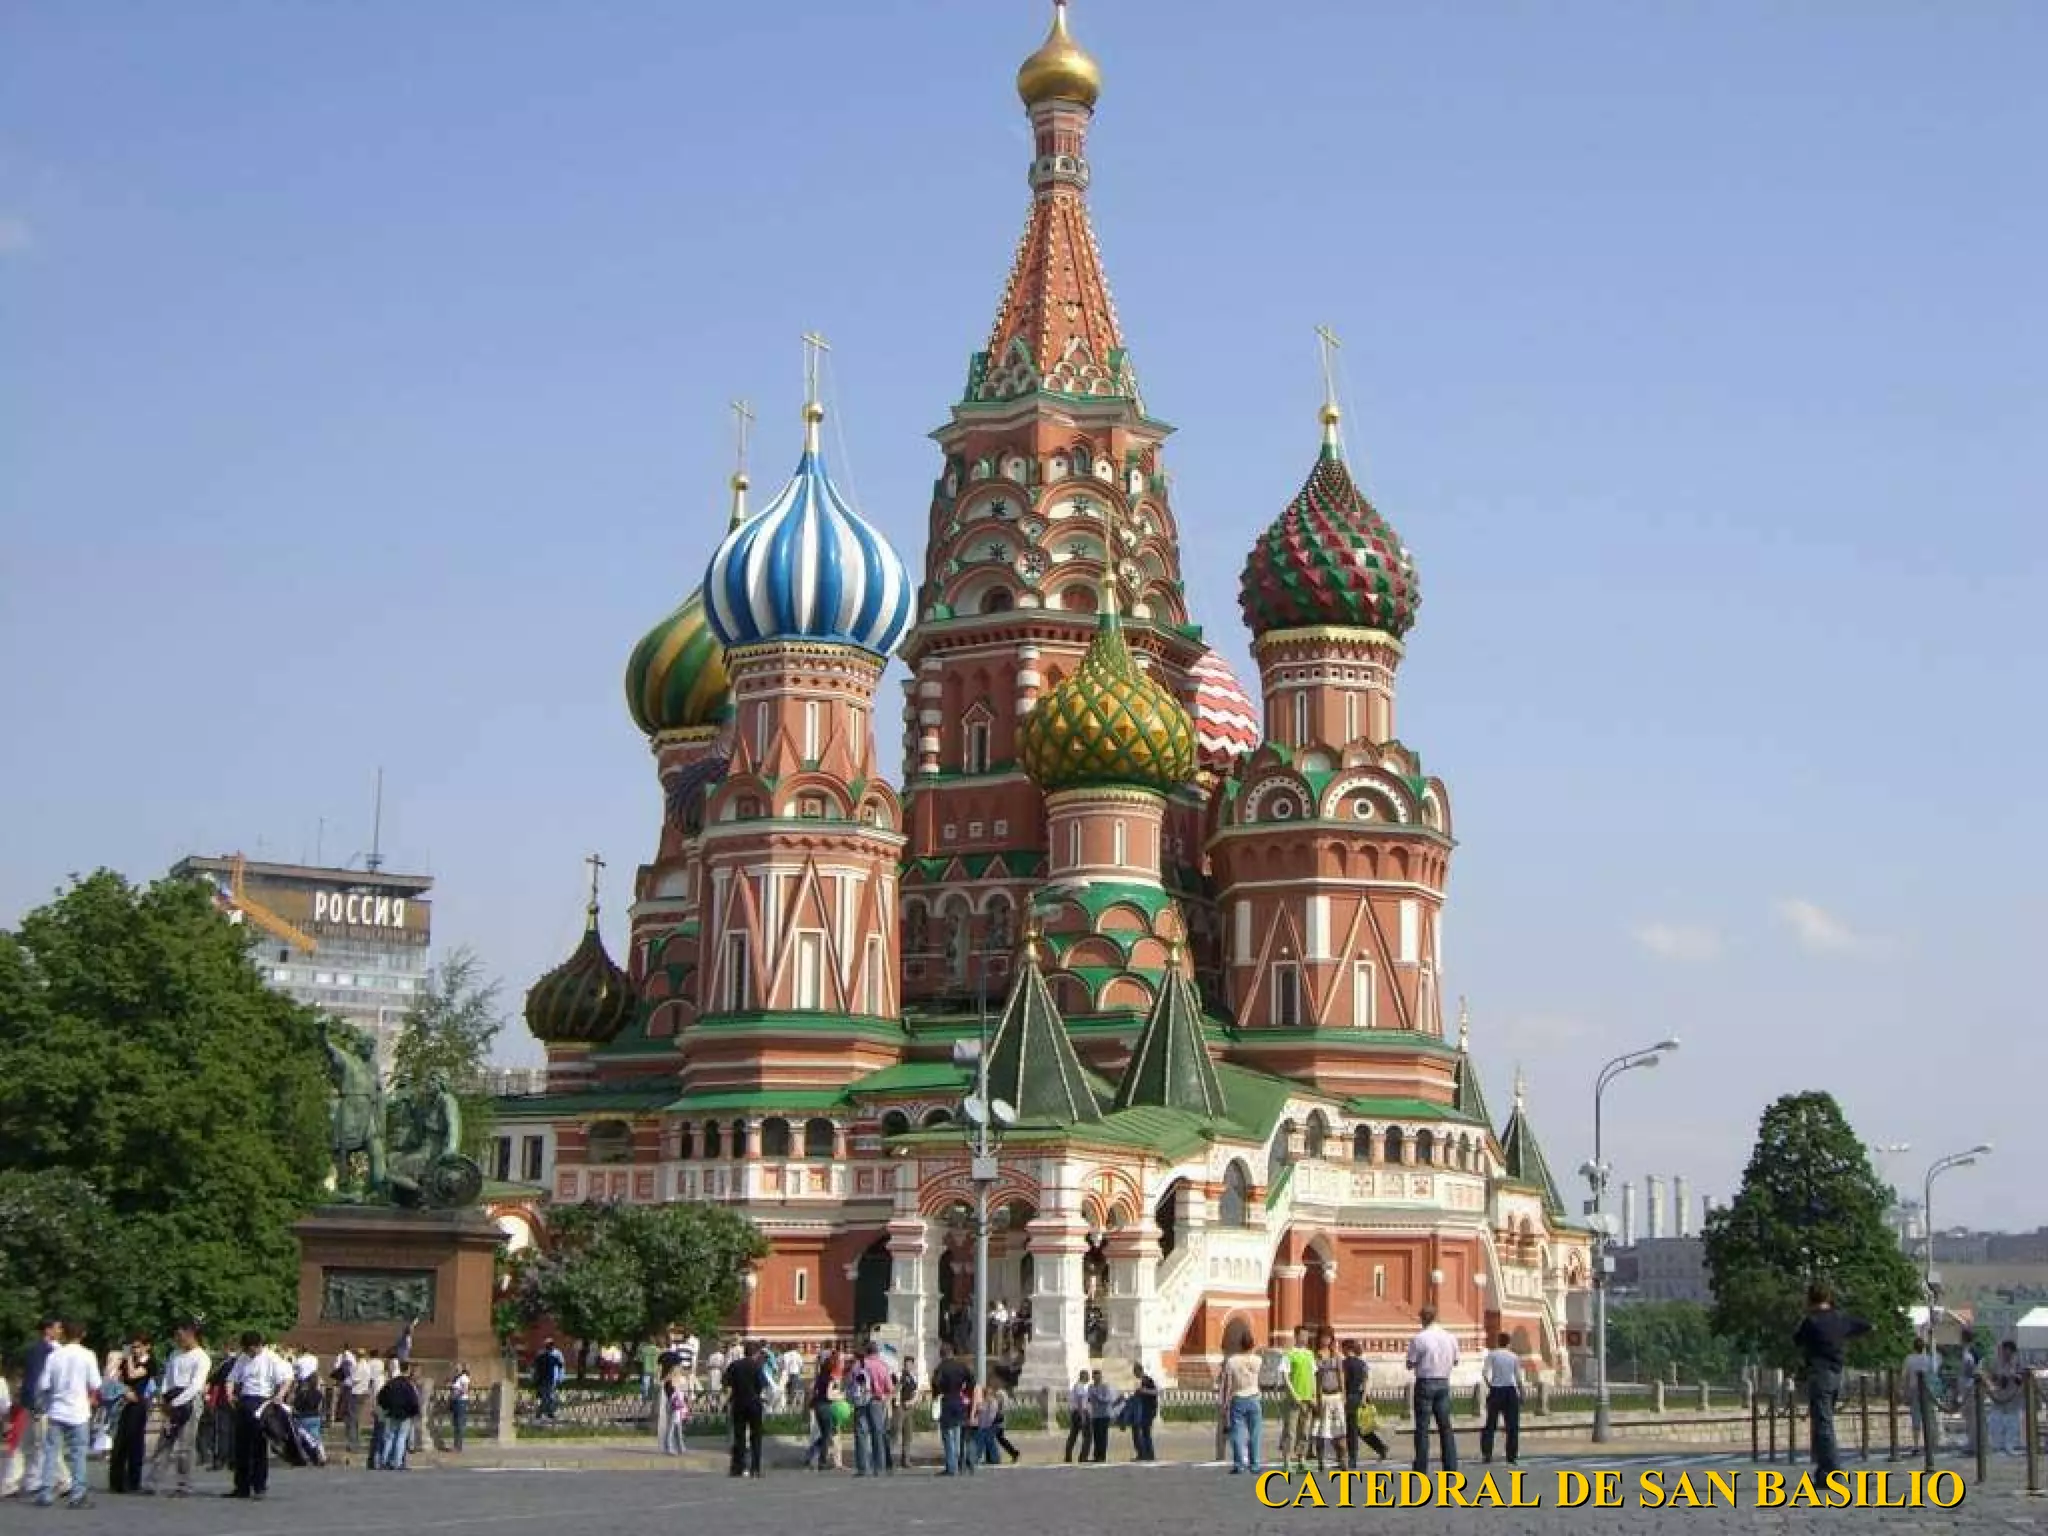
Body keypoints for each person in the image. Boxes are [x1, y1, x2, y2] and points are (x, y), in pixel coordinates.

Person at [1791, 1282, 1870, 1481]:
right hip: (1837, 1374)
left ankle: (1834, 1471)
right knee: (1823, 1422)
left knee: (1823, 1424)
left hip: (1819, 1374)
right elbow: (1865, 1325)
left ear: (1810, 1299)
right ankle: (1823, 1471)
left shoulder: (1811, 1321)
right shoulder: (1839, 1318)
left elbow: (1797, 1339)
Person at [35, 1322, 99, 1510]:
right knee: (78, 1453)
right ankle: (77, 1494)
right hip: (78, 1410)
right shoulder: (88, 1355)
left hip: (57, 1409)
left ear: (64, 1334)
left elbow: (43, 1384)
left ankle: (46, 1492)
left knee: (51, 1452)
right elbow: (95, 1383)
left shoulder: (54, 1355)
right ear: (83, 1334)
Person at [145, 1322, 209, 1497]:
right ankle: (153, 1480)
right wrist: (164, 1396)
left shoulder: (201, 1357)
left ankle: (184, 1484)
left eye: (180, 1336)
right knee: (164, 1441)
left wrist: (177, 1402)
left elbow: (196, 1385)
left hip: (189, 1400)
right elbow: (168, 1377)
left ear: (191, 1334)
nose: (178, 1339)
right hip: (172, 1397)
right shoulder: (175, 1354)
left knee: (185, 1445)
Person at [225, 1330, 291, 1501]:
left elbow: (287, 1378)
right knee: (241, 1446)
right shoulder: (243, 1358)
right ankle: (241, 1486)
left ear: (258, 1346)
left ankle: (259, 1485)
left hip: (262, 1401)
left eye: (251, 1349)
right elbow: (232, 1377)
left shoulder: (272, 1358)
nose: (249, 1353)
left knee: (258, 1446)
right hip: (245, 1400)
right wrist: (229, 1393)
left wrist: (280, 1395)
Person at [1405, 1305, 1459, 1474]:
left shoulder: (1420, 1338)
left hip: (1425, 1382)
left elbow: (1410, 1363)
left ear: (1423, 1318)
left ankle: (1421, 1466)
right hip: (1443, 1382)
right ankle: (1450, 1465)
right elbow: (1456, 1361)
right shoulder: (1450, 1337)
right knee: (1445, 1426)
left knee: (1422, 1427)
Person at [108, 1335, 154, 1494]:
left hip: (138, 1404)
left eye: (138, 1347)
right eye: (133, 1347)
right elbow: (117, 1378)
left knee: (135, 1442)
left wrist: (128, 1360)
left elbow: (134, 1374)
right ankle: (117, 1481)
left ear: (147, 1347)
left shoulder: (149, 1362)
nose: (135, 1350)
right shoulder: (127, 1361)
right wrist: (123, 1390)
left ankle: (133, 1480)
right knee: (120, 1442)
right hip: (125, 1402)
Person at [1219, 1333, 1265, 1476]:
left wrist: (1225, 1403)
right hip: (1254, 1397)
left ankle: (1239, 1464)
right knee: (1255, 1433)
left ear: (1240, 1345)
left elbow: (1228, 1383)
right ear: (1252, 1345)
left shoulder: (1232, 1361)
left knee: (1237, 1433)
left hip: (1238, 1397)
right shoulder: (1257, 1360)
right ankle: (1255, 1464)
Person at [1340, 1339, 1388, 1469]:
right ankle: (1380, 1447)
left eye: (1343, 1348)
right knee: (1362, 1429)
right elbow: (1366, 1381)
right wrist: (1364, 1397)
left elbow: (1342, 1381)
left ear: (1348, 1349)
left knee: (1352, 1430)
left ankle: (1352, 1458)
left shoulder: (1344, 1364)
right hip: (1361, 1397)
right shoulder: (1362, 1364)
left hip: (1350, 1397)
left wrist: (1343, 1397)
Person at [849, 1339, 895, 1476]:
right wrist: (884, 1397)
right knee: (878, 1433)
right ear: (877, 1352)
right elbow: (889, 1388)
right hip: (876, 1401)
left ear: (866, 1352)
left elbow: (851, 1384)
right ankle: (879, 1467)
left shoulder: (858, 1365)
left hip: (861, 1402)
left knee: (861, 1433)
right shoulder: (882, 1366)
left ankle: (863, 1467)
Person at [929, 1343, 975, 1477]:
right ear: (952, 1353)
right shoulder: (961, 1366)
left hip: (947, 1401)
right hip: (958, 1400)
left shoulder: (941, 1368)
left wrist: (937, 1395)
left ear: (941, 1354)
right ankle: (958, 1463)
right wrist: (965, 1392)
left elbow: (935, 1384)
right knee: (957, 1433)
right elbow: (972, 1380)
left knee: (948, 1436)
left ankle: (951, 1467)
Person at [723, 1341, 766, 1479]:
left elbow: (727, 1385)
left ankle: (738, 1467)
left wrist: (726, 1401)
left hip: (738, 1403)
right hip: (754, 1404)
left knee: (739, 1436)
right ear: (756, 1353)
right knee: (756, 1437)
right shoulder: (757, 1366)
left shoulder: (734, 1365)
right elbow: (762, 1385)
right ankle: (755, 1469)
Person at [1478, 1333, 1522, 1466]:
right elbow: (1518, 1377)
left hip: (1496, 1389)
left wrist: (1490, 1384)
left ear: (1498, 1342)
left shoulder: (1492, 1355)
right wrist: (1522, 1392)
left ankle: (1487, 1453)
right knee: (1512, 1425)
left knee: (1490, 1424)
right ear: (1508, 1343)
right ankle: (1511, 1455)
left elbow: (1485, 1372)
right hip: (1510, 1390)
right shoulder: (1513, 1356)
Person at [373, 1361, 423, 1470]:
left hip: (391, 1414)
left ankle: (384, 1461)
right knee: (401, 1438)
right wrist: (414, 1413)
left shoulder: (391, 1383)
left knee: (389, 1438)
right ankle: (397, 1462)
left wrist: (386, 1407)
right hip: (405, 1415)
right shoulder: (408, 1385)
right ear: (408, 1370)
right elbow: (414, 1401)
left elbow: (381, 1396)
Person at [1280, 1327, 1318, 1472]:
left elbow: (1313, 1376)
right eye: (1302, 1335)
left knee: (1304, 1431)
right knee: (1290, 1431)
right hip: (1294, 1399)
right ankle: (1287, 1461)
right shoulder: (1289, 1354)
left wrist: (1314, 1395)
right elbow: (1285, 1377)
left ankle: (1301, 1459)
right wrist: (1294, 1394)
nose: (1305, 1338)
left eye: (1307, 1335)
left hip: (1307, 1399)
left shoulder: (1309, 1354)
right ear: (1296, 1336)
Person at [1987, 1341, 2026, 1455]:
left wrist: (2013, 1375)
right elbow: (1993, 1378)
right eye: (2003, 1351)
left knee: (2013, 1423)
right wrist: (1996, 1380)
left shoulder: (2018, 1363)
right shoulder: (1997, 1363)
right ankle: (1997, 1446)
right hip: (2000, 1397)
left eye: (2006, 1351)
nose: (2004, 1353)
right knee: (1995, 1421)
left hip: (2013, 1397)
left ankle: (2011, 1445)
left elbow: (2022, 1379)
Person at [1901, 1336, 1939, 1455]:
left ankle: (1916, 1445)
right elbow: (1934, 1374)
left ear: (1913, 1347)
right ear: (1923, 1347)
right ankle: (1931, 1443)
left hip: (1914, 1390)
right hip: (1928, 1390)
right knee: (1929, 1417)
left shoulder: (1909, 1359)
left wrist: (1904, 1392)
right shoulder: (1929, 1359)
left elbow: (1904, 1377)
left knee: (1916, 1418)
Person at [1086, 1367, 1119, 1464]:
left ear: (1100, 1377)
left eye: (1098, 1377)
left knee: (1102, 1435)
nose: (1096, 1379)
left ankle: (1102, 1456)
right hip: (1095, 1414)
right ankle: (1096, 1455)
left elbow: (1107, 1399)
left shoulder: (1105, 1387)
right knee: (1096, 1436)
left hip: (1104, 1414)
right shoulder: (1091, 1387)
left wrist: (1097, 1396)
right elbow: (1089, 1399)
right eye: (1094, 1377)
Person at [893, 1355, 920, 1469]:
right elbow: (895, 1390)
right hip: (900, 1407)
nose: (907, 1366)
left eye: (909, 1364)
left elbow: (916, 1392)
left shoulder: (914, 1377)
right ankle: (888, 1458)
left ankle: (906, 1460)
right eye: (906, 1364)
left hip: (910, 1407)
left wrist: (913, 1401)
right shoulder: (899, 1375)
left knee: (908, 1435)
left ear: (913, 1365)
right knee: (895, 1433)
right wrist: (897, 1402)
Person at [1129, 1365, 1159, 1463]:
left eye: (1136, 1372)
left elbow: (1155, 1392)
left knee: (1145, 1432)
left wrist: (1143, 1391)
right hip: (1141, 1411)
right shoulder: (1140, 1382)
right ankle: (1143, 1453)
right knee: (1141, 1433)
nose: (1135, 1374)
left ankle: (1148, 1454)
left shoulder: (1147, 1380)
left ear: (1140, 1371)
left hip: (1148, 1411)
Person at [533, 1339, 565, 1423]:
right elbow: (560, 1365)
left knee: (548, 1397)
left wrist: (559, 1377)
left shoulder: (546, 1356)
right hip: (544, 1380)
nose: (551, 1347)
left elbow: (560, 1365)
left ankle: (546, 1413)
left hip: (547, 1380)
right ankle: (543, 1413)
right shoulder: (547, 1356)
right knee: (547, 1398)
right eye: (550, 1345)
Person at [1062, 1369, 1090, 1462]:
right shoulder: (1080, 1386)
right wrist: (1082, 1415)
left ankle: (1068, 1456)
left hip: (1076, 1412)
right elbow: (1080, 1401)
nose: (1089, 1378)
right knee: (1087, 1436)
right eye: (1087, 1376)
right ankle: (1083, 1457)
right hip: (1080, 1412)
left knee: (1073, 1435)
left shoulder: (1077, 1386)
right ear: (1083, 1376)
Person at [446, 1363, 471, 1453]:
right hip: (455, 1402)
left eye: (458, 1368)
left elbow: (465, 1390)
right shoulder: (456, 1378)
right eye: (455, 1369)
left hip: (461, 1402)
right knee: (455, 1424)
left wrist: (456, 1393)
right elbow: (448, 1384)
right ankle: (456, 1445)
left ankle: (458, 1446)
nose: (456, 1370)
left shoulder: (464, 1377)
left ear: (461, 1369)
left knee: (459, 1424)